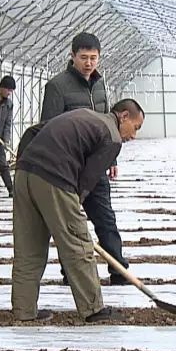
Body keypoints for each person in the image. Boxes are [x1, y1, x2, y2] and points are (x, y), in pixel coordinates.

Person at [12, 99, 145, 322]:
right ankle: (93, 310)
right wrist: (74, 214)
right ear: (123, 116)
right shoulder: (112, 137)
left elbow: (32, 131)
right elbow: (87, 181)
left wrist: (22, 164)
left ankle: (24, 311)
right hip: (55, 178)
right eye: (136, 127)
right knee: (79, 245)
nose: (134, 135)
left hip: (24, 174)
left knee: (29, 248)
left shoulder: (83, 114)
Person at [40, 33, 129, 285]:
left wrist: (111, 159)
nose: (89, 63)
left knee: (105, 219)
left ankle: (119, 271)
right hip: (68, 170)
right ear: (72, 56)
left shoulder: (101, 86)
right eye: (83, 58)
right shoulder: (57, 87)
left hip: (97, 165)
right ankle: (73, 274)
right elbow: (48, 129)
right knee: (70, 225)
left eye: (93, 58)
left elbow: (109, 126)